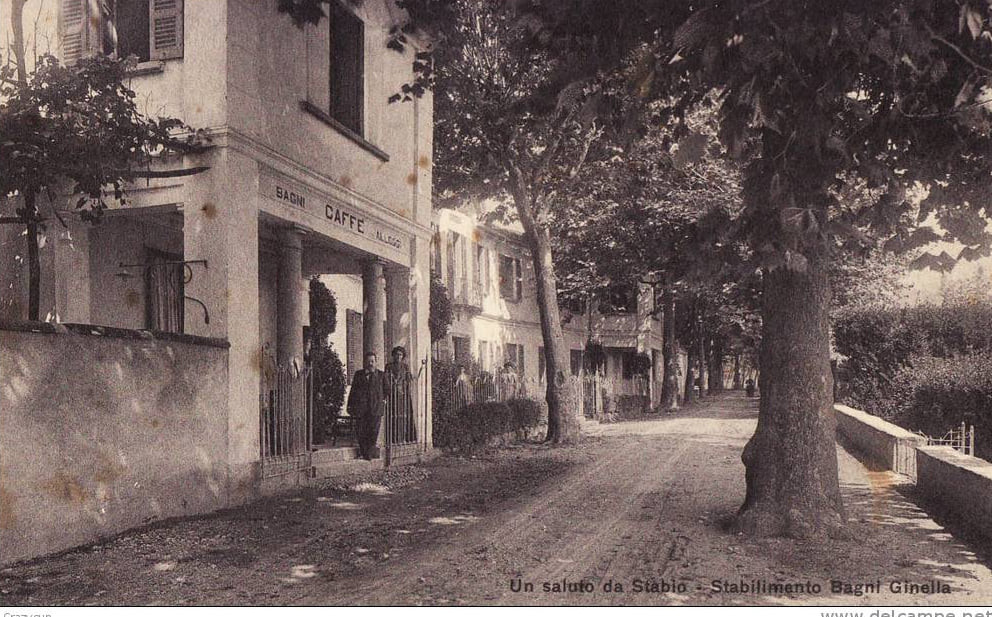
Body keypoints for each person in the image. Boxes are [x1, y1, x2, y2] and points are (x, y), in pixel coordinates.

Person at [347, 351, 385, 460]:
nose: (370, 364)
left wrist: (381, 400)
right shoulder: (358, 374)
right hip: (361, 409)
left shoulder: (381, 375)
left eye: (372, 361)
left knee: (373, 431)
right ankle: (365, 452)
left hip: (376, 409)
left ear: (376, 362)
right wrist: (350, 405)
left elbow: (387, 390)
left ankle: (369, 452)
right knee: (361, 431)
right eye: (368, 361)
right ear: (364, 362)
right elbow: (353, 391)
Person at [384, 345, 417, 443]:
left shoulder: (405, 367)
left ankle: (405, 438)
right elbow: (386, 379)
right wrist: (391, 384)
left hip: (403, 395)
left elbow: (408, 379)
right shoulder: (389, 366)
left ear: (403, 356)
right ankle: (393, 438)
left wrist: (409, 378)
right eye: (397, 354)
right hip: (392, 394)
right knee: (393, 416)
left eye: (400, 355)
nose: (398, 357)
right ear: (393, 355)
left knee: (404, 416)